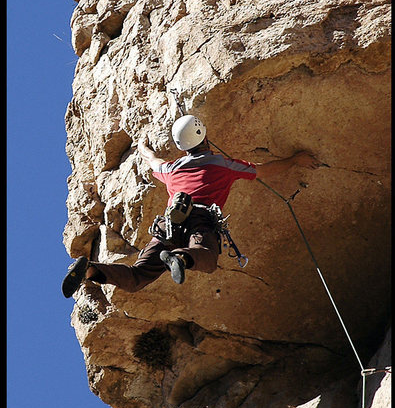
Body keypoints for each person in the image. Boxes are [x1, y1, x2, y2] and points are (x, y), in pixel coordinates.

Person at [62, 115, 321, 298]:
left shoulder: (171, 169)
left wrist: (141, 145)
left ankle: (91, 270)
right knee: (206, 258)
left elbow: (152, 160)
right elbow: (265, 171)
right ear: (204, 135)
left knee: (137, 278)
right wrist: (296, 159)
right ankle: (181, 258)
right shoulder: (223, 165)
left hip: (168, 227)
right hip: (200, 220)